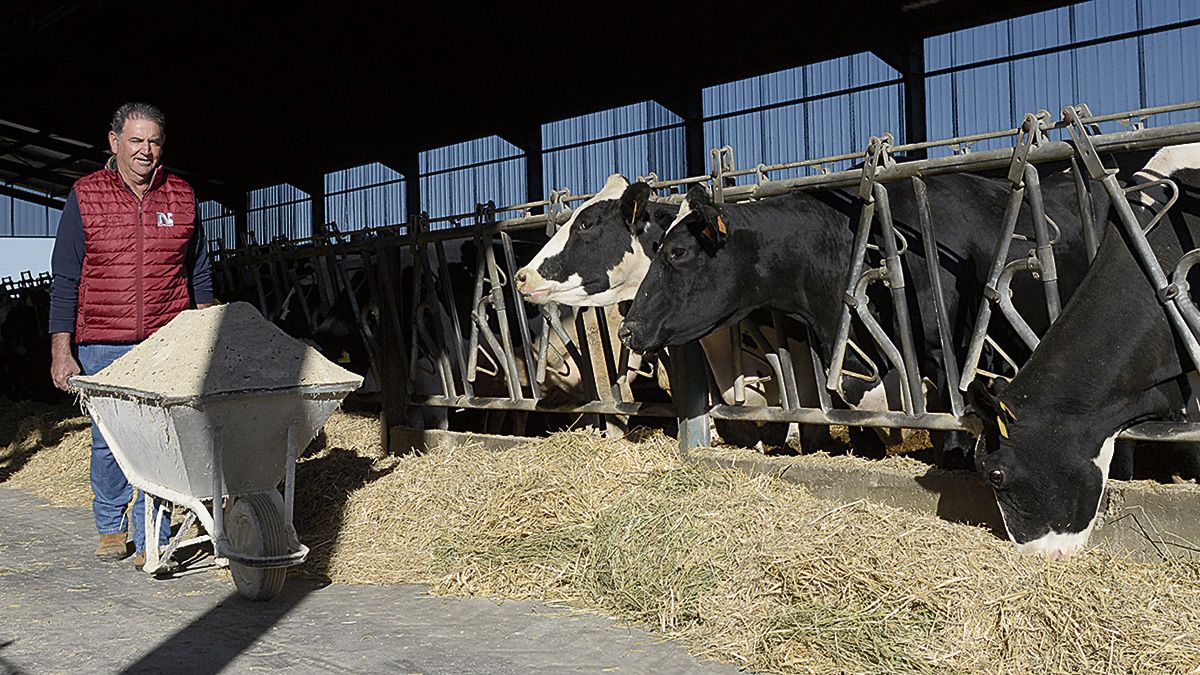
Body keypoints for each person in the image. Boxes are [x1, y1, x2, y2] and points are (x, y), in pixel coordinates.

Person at [48, 102, 214, 570]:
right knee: (110, 438)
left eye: (154, 141)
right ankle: (110, 525)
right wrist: (62, 349)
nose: (145, 150)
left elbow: (199, 272)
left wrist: (207, 336)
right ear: (114, 141)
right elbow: (65, 278)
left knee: (162, 440)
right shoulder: (85, 196)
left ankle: (152, 537)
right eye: (136, 140)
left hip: (167, 339)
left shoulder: (182, 196)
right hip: (102, 339)